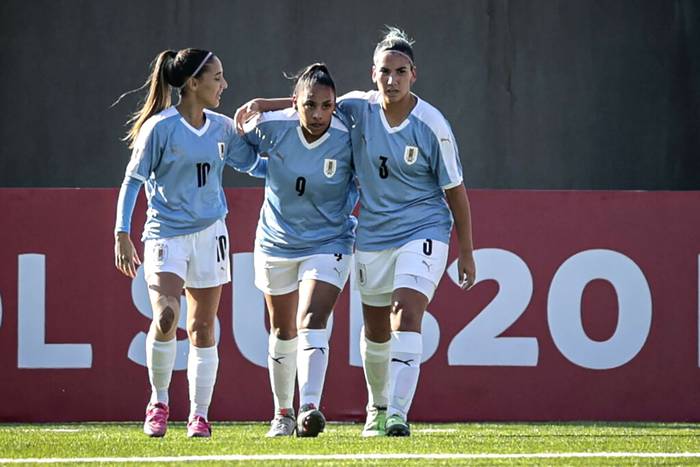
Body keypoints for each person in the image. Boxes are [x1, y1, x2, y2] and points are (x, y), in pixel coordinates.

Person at [235, 27, 476, 437]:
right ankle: (377, 410)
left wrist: (466, 250)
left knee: (406, 313)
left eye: (401, 72)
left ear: (413, 74)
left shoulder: (432, 125)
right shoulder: (355, 109)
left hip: (424, 227)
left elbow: (455, 190)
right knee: (377, 329)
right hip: (373, 234)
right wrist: (267, 103)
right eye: (385, 71)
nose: (392, 80)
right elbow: (312, 105)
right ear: (372, 73)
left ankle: (398, 414)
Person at [114, 48, 258, 438]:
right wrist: (122, 232)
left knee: (203, 327)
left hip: (211, 234)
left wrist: (268, 133)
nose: (224, 85)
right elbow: (133, 180)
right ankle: (158, 401)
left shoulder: (223, 127)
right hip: (165, 233)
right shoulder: (159, 128)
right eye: (217, 77)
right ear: (193, 83)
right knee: (165, 317)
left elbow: (254, 164)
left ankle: (199, 413)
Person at [240, 63, 357, 437]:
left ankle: (309, 407)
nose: (319, 114)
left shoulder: (349, 134)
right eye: (310, 106)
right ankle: (282, 413)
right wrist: (267, 165)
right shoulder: (273, 127)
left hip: (330, 240)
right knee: (282, 329)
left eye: (327, 106)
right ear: (296, 104)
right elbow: (241, 125)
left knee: (312, 319)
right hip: (276, 241)